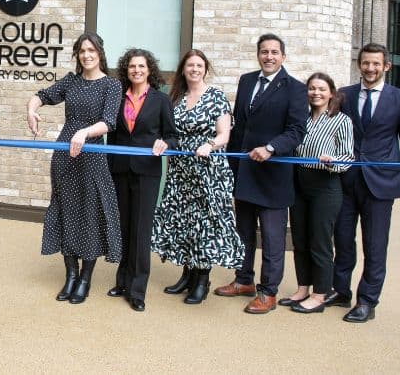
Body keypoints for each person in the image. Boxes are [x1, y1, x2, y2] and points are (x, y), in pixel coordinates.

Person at [330, 43, 400, 323]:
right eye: (365, 63)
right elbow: (330, 131)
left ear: (386, 66)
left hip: (380, 184)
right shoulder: (344, 95)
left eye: (376, 64)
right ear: (359, 65)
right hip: (345, 180)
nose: (370, 68)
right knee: (343, 241)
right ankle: (340, 291)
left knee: (374, 245)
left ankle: (367, 301)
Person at [215, 33, 307, 314]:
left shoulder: (295, 89)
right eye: (264, 52)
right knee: (243, 232)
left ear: (283, 56)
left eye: (274, 52)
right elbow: (240, 124)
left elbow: (296, 131)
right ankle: (244, 280)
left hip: (273, 174)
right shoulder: (246, 81)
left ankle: (268, 291)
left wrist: (270, 148)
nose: (269, 56)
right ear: (258, 55)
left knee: (272, 237)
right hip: (245, 172)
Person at [27, 31, 122, 304]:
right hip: (65, 156)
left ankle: (85, 279)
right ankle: (70, 274)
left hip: (91, 156)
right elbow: (41, 95)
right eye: (82, 51)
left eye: (91, 50)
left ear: (100, 53)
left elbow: (108, 122)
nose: (86, 55)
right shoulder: (71, 81)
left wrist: (84, 132)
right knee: (65, 211)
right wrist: (31, 110)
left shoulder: (111, 86)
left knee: (89, 214)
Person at [152, 50, 243, 305]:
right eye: (190, 65)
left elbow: (225, 134)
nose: (194, 69)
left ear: (205, 69)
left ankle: (202, 280)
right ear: (183, 69)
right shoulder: (177, 98)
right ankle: (187, 275)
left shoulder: (215, 96)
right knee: (184, 222)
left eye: (199, 65)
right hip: (181, 170)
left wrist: (210, 145)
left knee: (204, 224)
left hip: (208, 170)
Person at [106, 48, 177, 312]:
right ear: (126, 70)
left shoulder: (160, 100)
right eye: (132, 67)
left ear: (150, 70)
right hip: (121, 170)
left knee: (141, 231)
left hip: (147, 172)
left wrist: (164, 143)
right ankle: (122, 281)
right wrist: (110, 167)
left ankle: (137, 290)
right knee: (124, 227)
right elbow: (112, 136)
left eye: (141, 67)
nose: (136, 70)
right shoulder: (118, 98)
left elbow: (172, 135)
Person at [279, 72, 353, 314]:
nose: (316, 93)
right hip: (299, 181)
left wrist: (333, 160)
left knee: (319, 241)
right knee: (299, 239)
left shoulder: (341, 120)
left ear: (331, 92)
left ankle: (320, 293)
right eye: (311, 88)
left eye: (321, 89)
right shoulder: (301, 118)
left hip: (326, 184)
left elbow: (348, 157)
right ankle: (303, 288)